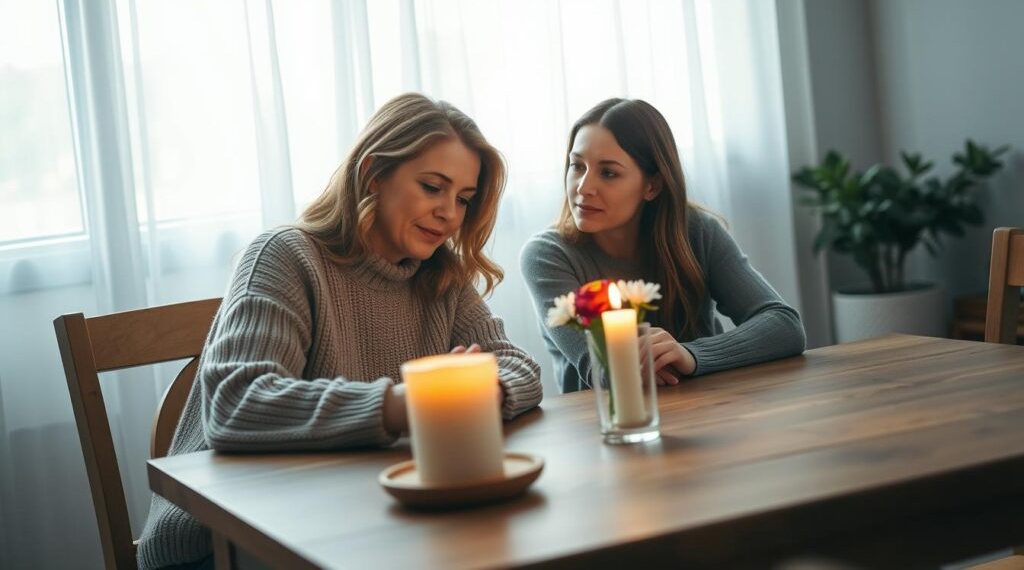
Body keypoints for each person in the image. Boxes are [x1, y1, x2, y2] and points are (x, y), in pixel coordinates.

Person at [137, 93, 543, 570]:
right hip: (218, 542)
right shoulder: (285, 255)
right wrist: (401, 405)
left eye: (463, 199)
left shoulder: (440, 276)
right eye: (433, 187)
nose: (450, 214)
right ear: (373, 174)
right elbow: (235, 404)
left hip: (355, 524)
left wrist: (487, 390)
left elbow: (520, 367)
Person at [520, 98, 805, 394]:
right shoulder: (546, 256)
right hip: (604, 427)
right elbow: (604, 370)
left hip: (710, 410)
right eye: (577, 166)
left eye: (608, 173)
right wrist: (643, 363)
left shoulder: (697, 232)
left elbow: (784, 326)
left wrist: (691, 356)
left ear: (652, 185)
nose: (583, 187)